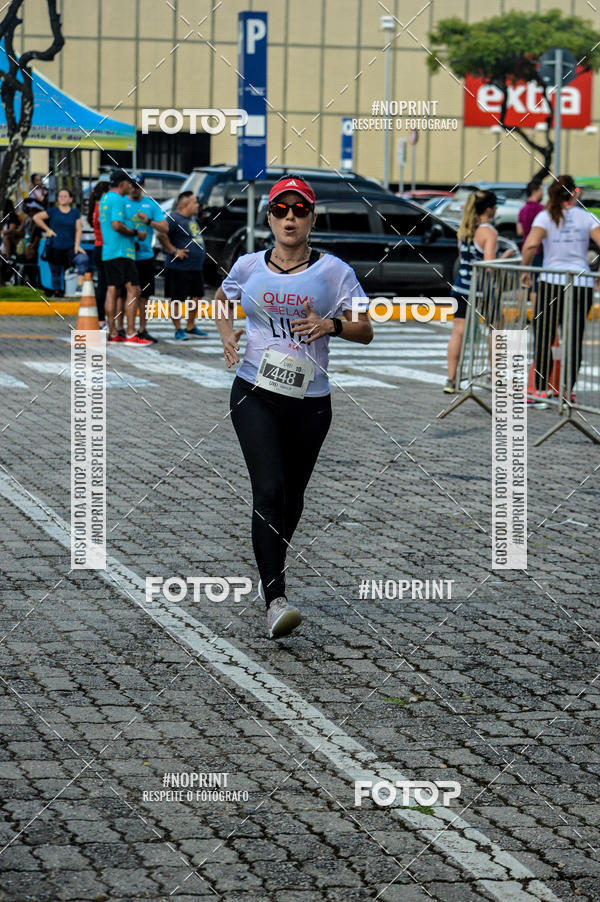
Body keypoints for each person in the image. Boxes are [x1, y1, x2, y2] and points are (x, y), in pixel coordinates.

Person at [214, 176, 372, 639]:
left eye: (299, 210)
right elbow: (222, 301)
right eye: (281, 209)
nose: (289, 217)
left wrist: (332, 325)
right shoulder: (247, 266)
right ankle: (275, 598)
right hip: (254, 392)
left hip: (310, 401)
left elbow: (366, 328)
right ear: (268, 218)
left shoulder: (336, 272)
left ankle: (272, 575)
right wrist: (227, 335)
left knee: (292, 498)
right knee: (267, 490)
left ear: (311, 219)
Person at [521, 174, 600, 400]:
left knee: (544, 335)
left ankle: (541, 388)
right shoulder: (586, 217)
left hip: (550, 281)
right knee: (574, 337)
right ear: (574, 193)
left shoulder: (545, 217)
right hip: (580, 282)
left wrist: (525, 271)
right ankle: (568, 389)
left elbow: (531, 245)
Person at [445, 190, 500, 393]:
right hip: (481, 290)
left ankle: (451, 379)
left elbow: (464, 258)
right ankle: (495, 377)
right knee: (496, 332)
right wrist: (508, 257)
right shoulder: (489, 233)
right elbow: (489, 265)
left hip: (460, 287)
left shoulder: (465, 229)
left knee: (458, 332)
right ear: (489, 209)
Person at [98, 169, 151, 345]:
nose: (131, 187)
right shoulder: (119, 200)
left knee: (112, 290)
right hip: (123, 251)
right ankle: (130, 333)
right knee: (133, 290)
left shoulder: (104, 198)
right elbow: (116, 225)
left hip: (109, 250)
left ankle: (113, 332)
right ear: (122, 184)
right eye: (129, 183)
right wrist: (136, 233)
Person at [159, 190, 208, 340]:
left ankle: (190, 326)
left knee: (196, 296)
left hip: (195, 267)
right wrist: (174, 250)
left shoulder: (192, 219)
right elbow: (161, 234)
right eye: (194, 202)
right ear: (185, 205)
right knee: (177, 299)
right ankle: (178, 329)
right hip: (178, 267)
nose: (197, 205)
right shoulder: (173, 218)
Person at [125, 172, 168, 342]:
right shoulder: (122, 203)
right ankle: (124, 328)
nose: (135, 190)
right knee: (125, 294)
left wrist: (149, 221)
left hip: (145, 256)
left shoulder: (150, 205)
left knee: (145, 295)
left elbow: (164, 227)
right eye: (133, 186)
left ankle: (142, 328)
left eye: (138, 186)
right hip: (127, 255)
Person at [33, 188, 83, 297]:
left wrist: (77, 245)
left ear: (71, 199)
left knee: (81, 261)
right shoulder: (53, 211)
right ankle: (57, 293)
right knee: (55, 271)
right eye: (60, 196)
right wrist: (48, 230)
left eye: (65, 196)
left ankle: (76, 289)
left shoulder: (75, 213)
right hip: (55, 246)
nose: (62, 198)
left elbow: (79, 229)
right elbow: (36, 217)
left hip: (70, 247)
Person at [88, 180, 109, 328]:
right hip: (104, 248)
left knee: (103, 284)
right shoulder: (102, 208)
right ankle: (101, 318)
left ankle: (102, 318)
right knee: (105, 286)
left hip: (98, 247)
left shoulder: (94, 207)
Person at [517, 178, 544, 267]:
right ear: (535, 191)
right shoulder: (543, 210)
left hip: (525, 250)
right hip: (539, 250)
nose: (543, 193)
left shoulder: (522, 210)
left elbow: (519, 231)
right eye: (541, 190)